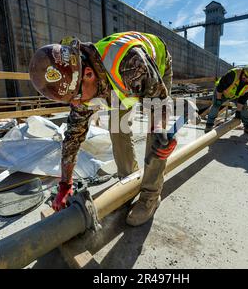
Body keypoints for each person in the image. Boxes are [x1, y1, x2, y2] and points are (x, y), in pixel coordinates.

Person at [28, 31, 176, 227]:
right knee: (117, 128)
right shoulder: (79, 87)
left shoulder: (130, 65)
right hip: (114, 83)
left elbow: (159, 104)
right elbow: (73, 137)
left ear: (88, 74)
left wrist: (163, 131)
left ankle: (150, 196)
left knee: (156, 138)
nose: (77, 104)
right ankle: (128, 181)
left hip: (156, 66)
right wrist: (65, 184)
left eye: (77, 97)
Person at [205, 65, 248, 136]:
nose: (246, 78)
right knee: (216, 106)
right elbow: (220, 87)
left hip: (236, 96)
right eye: (245, 76)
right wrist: (219, 99)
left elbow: (243, 99)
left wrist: (238, 112)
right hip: (222, 92)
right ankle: (209, 125)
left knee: (244, 108)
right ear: (243, 71)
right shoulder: (234, 74)